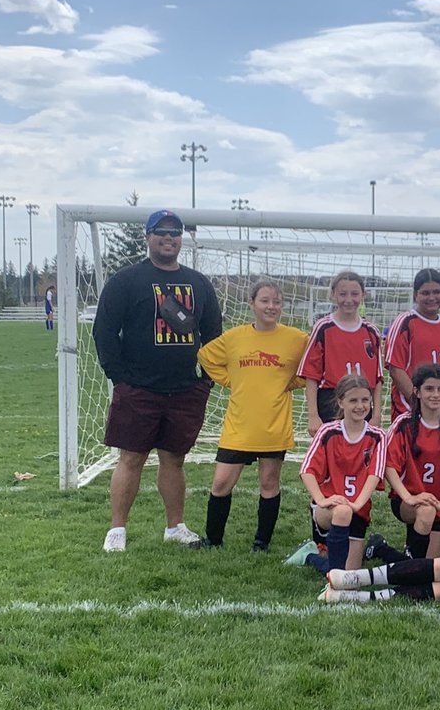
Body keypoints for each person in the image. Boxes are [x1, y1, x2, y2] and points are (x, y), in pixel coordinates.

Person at [93, 209, 223, 552]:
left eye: (175, 232)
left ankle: (175, 526)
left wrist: (206, 380)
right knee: (131, 458)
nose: (168, 238)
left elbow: (213, 335)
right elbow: (105, 331)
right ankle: (117, 530)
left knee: (174, 460)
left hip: (184, 390)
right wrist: (119, 377)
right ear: (147, 237)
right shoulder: (127, 280)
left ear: (181, 239)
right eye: (161, 232)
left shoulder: (199, 283)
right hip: (138, 388)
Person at [196, 280, 308, 551]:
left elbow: (312, 368)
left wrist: (289, 383)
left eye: (277, 302)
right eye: (265, 301)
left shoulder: (297, 340)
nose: (271, 306)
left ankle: (262, 542)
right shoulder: (235, 337)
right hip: (239, 425)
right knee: (221, 483)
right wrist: (232, 380)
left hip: (273, 425)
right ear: (252, 304)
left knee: (269, 483)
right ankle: (213, 539)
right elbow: (205, 356)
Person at [293, 375, 386, 571]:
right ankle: (334, 584)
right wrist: (320, 499)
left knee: (351, 574)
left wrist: (357, 504)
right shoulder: (328, 431)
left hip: (358, 510)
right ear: (340, 402)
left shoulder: (378, 436)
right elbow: (307, 470)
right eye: (353, 400)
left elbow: (375, 475)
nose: (360, 406)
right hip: (328, 509)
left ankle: (310, 556)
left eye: (364, 400)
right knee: (342, 513)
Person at [385, 363, 440, 559]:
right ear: (417, 392)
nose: (436, 394)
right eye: (429, 389)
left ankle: (381, 549)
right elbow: (389, 466)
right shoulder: (403, 423)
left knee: (432, 564)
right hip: (406, 501)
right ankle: (413, 575)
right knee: (425, 513)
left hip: (436, 503)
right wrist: (409, 498)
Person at [300, 271, 384, 434]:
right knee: (331, 454)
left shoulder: (371, 331)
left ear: (363, 295)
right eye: (343, 294)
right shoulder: (323, 328)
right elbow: (311, 375)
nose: (349, 300)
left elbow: (378, 378)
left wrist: (377, 414)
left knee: (360, 454)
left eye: (354, 294)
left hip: (362, 401)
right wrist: (313, 415)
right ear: (333, 295)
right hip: (330, 401)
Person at [385, 268, 440, 421]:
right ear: (415, 295)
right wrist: (419, 403)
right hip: (410, 413)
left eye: (436, 292)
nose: (432, 297)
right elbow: (395, 368)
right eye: (425, 293)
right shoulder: (405, 322)